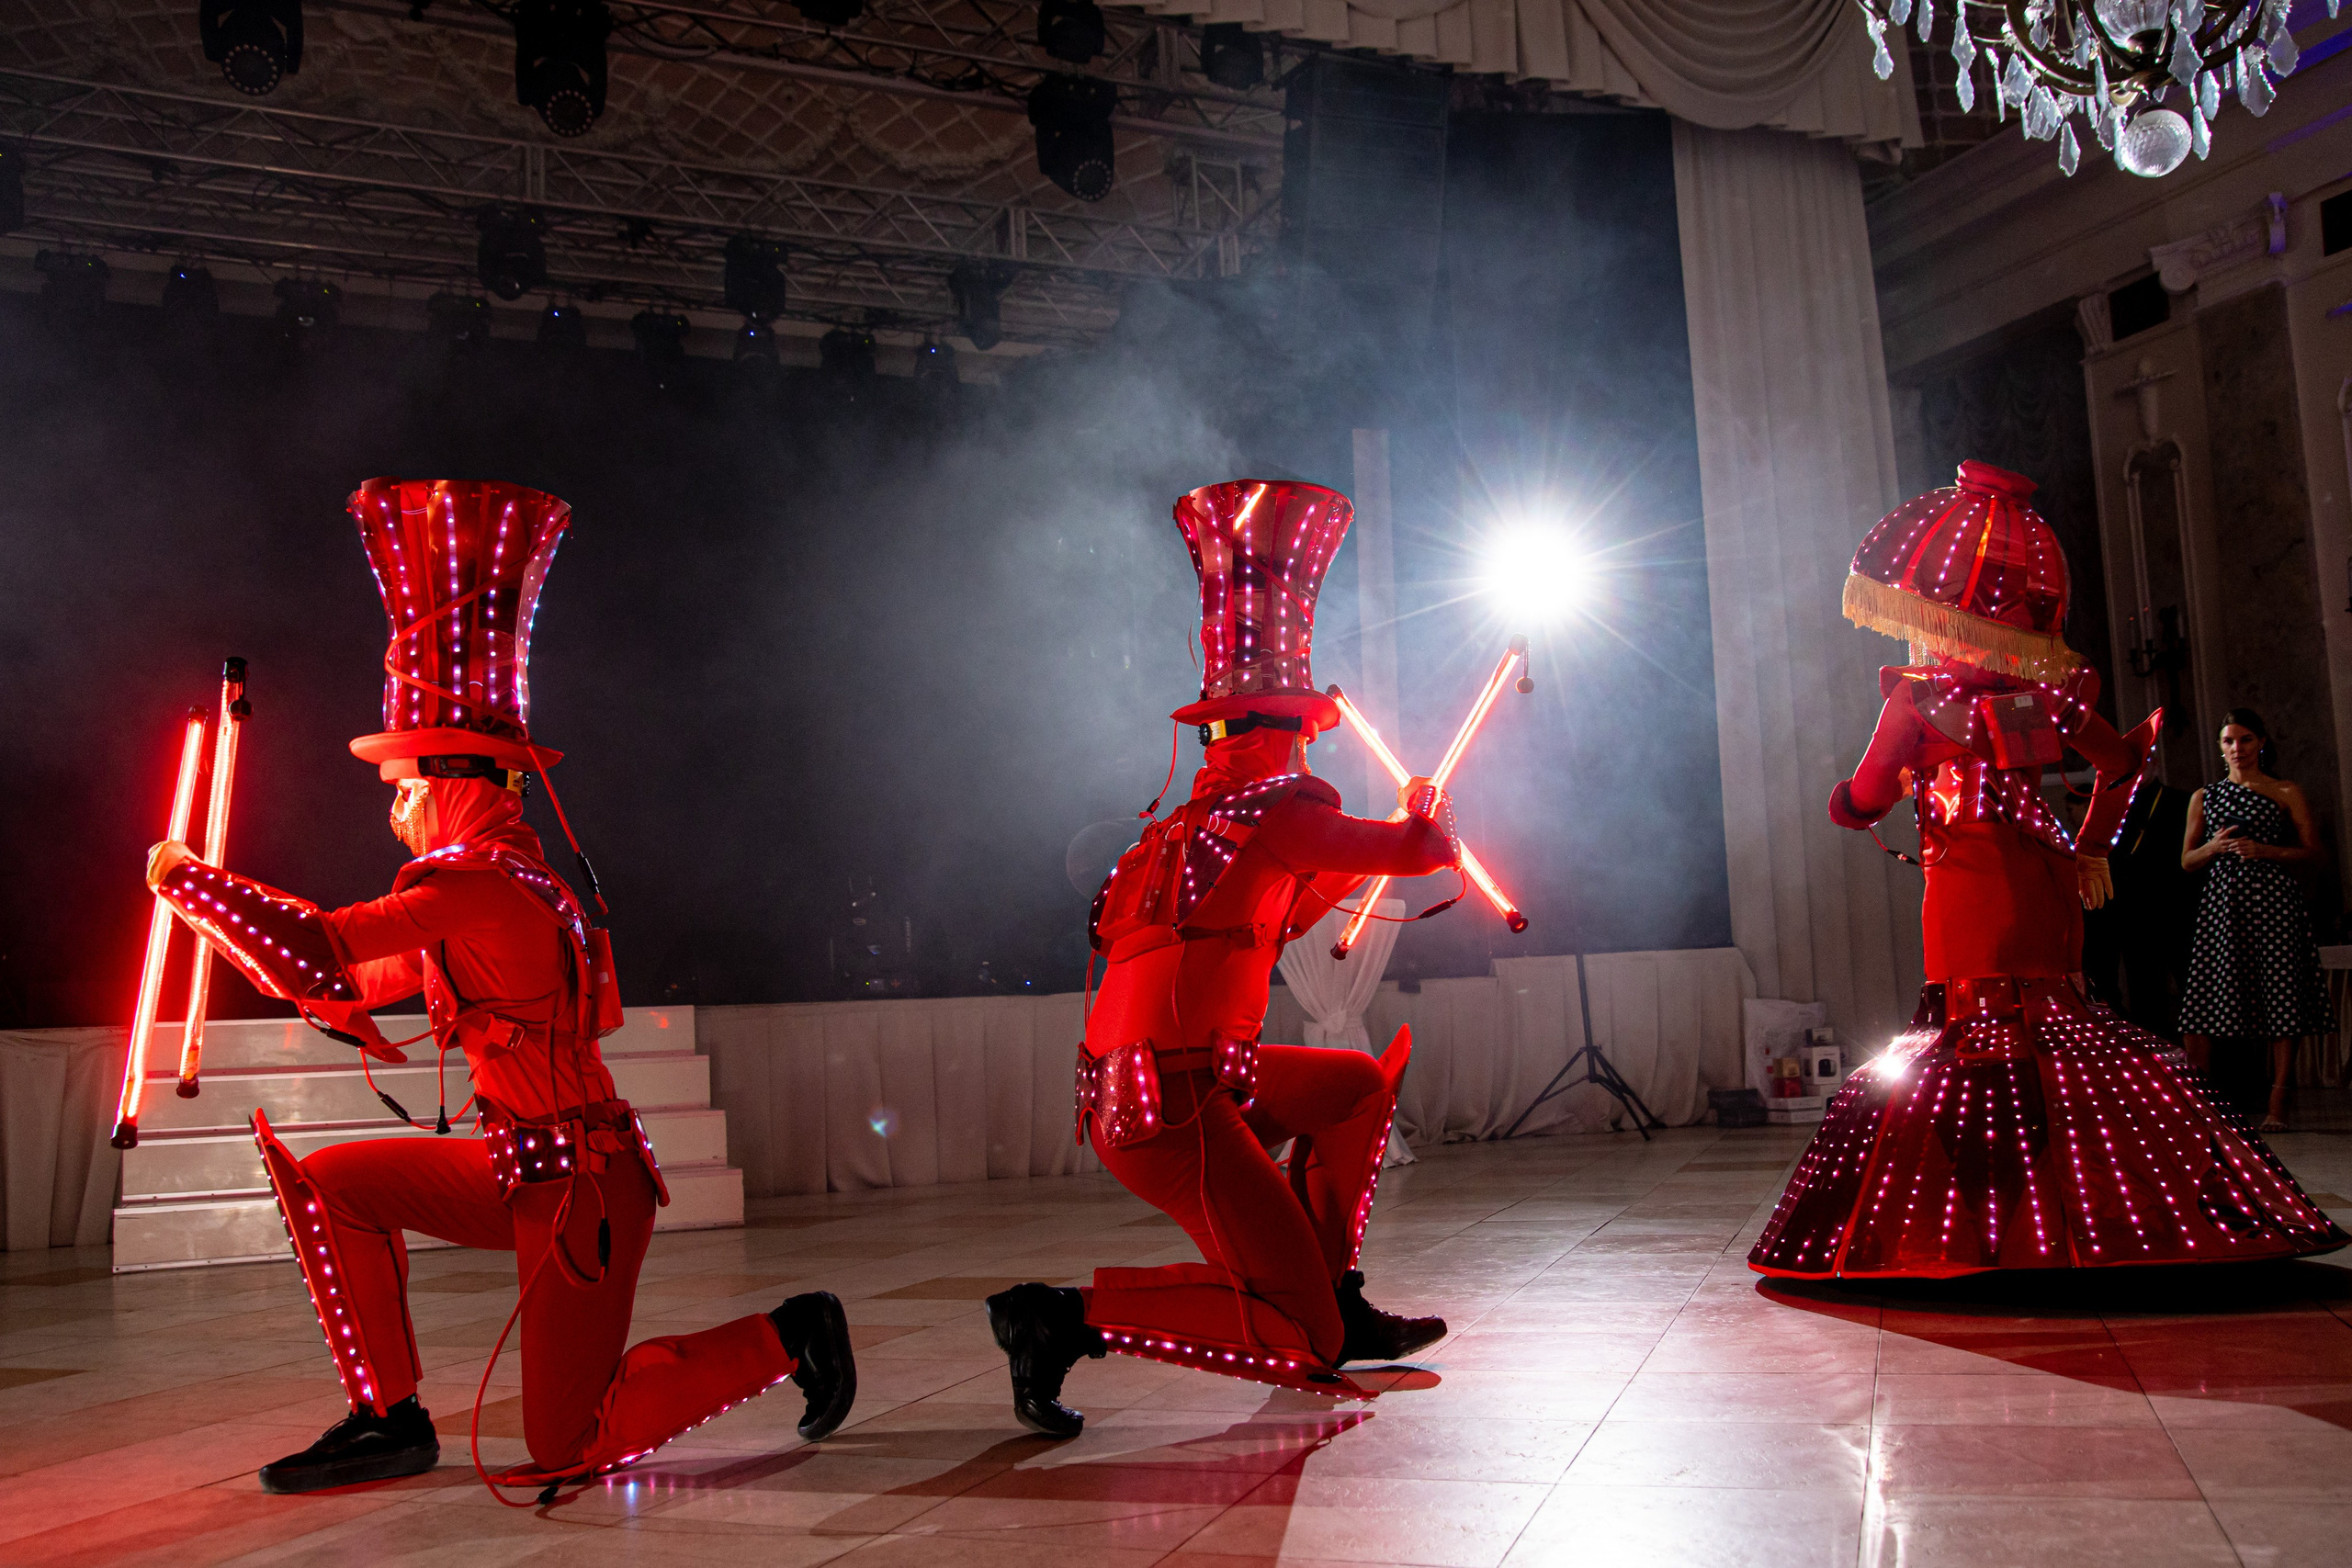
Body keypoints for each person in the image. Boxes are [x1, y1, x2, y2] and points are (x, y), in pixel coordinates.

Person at [146, 478, 856, 1495]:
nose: (395, 808)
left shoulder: (479, 887)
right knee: (331, 1183)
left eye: (404, 785)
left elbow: (322, 947)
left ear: (453, 784)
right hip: (525, 1164)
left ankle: (789, 1334)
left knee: (565, 1443)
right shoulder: (479, 888)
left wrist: (189, 883)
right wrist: (224, 921)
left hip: (578, 1186)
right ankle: (387, 1416)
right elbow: (342, 983)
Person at [1748, 460, 2343, 1279]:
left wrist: (1847, 804)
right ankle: (2098, 1216)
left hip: (1965, 883)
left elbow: (1864, 793)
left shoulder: (1917, 702)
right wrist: (2091, 846)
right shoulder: (2049, 699)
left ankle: (1991, 1223)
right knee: (2062, 1029)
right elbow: (2125, 764)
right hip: (2044, 876)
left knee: (1971, 1041)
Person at [985, 479, 1454, 1437]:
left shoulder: (1175, 835)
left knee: (1354, 1086)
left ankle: (1336, 1286)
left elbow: (1280, 918)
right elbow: (1419, 857)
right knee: (1301, 1340)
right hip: (1177, 1108)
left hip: (1164, 1091)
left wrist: (1392, 837)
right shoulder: (1281, 813)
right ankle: (1064, 1319)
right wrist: (1425, 814)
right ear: (1288, 729)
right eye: (1305, 726)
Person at [2177, 708, 2333, 1131]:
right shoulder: (2204, 797)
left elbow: (2316, 854)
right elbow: (2187, 861)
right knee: (2202, 1005)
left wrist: (2267, 851)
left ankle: (2278, 1105)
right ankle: (2202, 1103)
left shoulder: (2285, 790)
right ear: (2220, 747)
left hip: (2274, 905)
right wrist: (2212, 848)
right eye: (2229, 741)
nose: (2237, 749)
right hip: (2221, 907)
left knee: (2281, 1002)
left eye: (2245, 740)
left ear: (2261, 743)